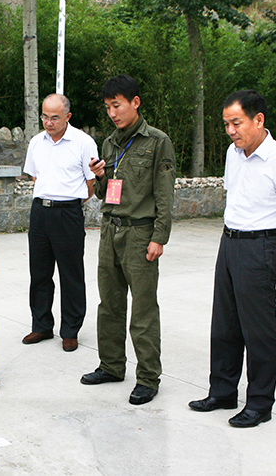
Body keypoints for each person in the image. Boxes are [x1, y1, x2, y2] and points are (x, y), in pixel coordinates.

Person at [188, 90, 276, 427]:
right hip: (229, 242)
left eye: (236, 123)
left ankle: (259, 403)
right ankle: (222, 391)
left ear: (258, 120)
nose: (230, 131)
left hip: (260, 245)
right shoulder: (233, 153)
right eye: (226, 124)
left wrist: (275, 245)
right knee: (224, 323)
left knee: (259, 330)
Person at [81, 75, 175, 405]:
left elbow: (164, 193)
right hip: (110, 230)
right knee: (110, 303)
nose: (112, 113)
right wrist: (100, 177)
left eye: (117, 105)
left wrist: (159, 237)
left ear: (135, 102)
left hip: (140, 233)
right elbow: (106, 195)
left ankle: (148, 377)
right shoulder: (110, 144)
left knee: (144, 309)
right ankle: (111, 365)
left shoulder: (157, 141)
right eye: (107, 107)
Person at [21, 93, 97, 352]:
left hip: (68, 213)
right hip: (40, 212)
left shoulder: (83, 143)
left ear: (68, 116)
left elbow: (90, 184)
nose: (49, 122)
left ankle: (70, 330)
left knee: (71, 273)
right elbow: (35, 177)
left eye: (55, 117)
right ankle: (41, 325)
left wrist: (68, 203)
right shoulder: (36, 142)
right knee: (39, 272)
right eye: (44, 116)